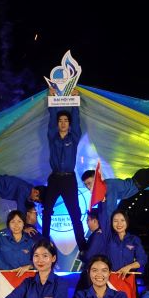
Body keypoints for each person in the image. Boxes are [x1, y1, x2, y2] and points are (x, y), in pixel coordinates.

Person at [41, 100, 85, 250]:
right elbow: (51, 119)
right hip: (54, 178)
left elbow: (77, 120)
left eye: (66, 121)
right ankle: (44, 243)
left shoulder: (74, 137)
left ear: (69, 124)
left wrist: (75, 103)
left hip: (69, 179)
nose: (63, 123)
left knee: (75, 214)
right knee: (47, 211)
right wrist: (52, 101)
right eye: (60, 121)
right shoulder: (52, 136)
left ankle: (83, 247)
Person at [84, 210, 147, 279]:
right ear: (111, 223)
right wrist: (103, 202)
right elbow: (103, 216)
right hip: (110, 279)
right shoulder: (108, 238)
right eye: (115, 221)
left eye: (122, 220)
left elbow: (142, 259)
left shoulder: (134, 239)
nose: (119, 224)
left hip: (128, 279)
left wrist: (129, 267)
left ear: (127, 222)